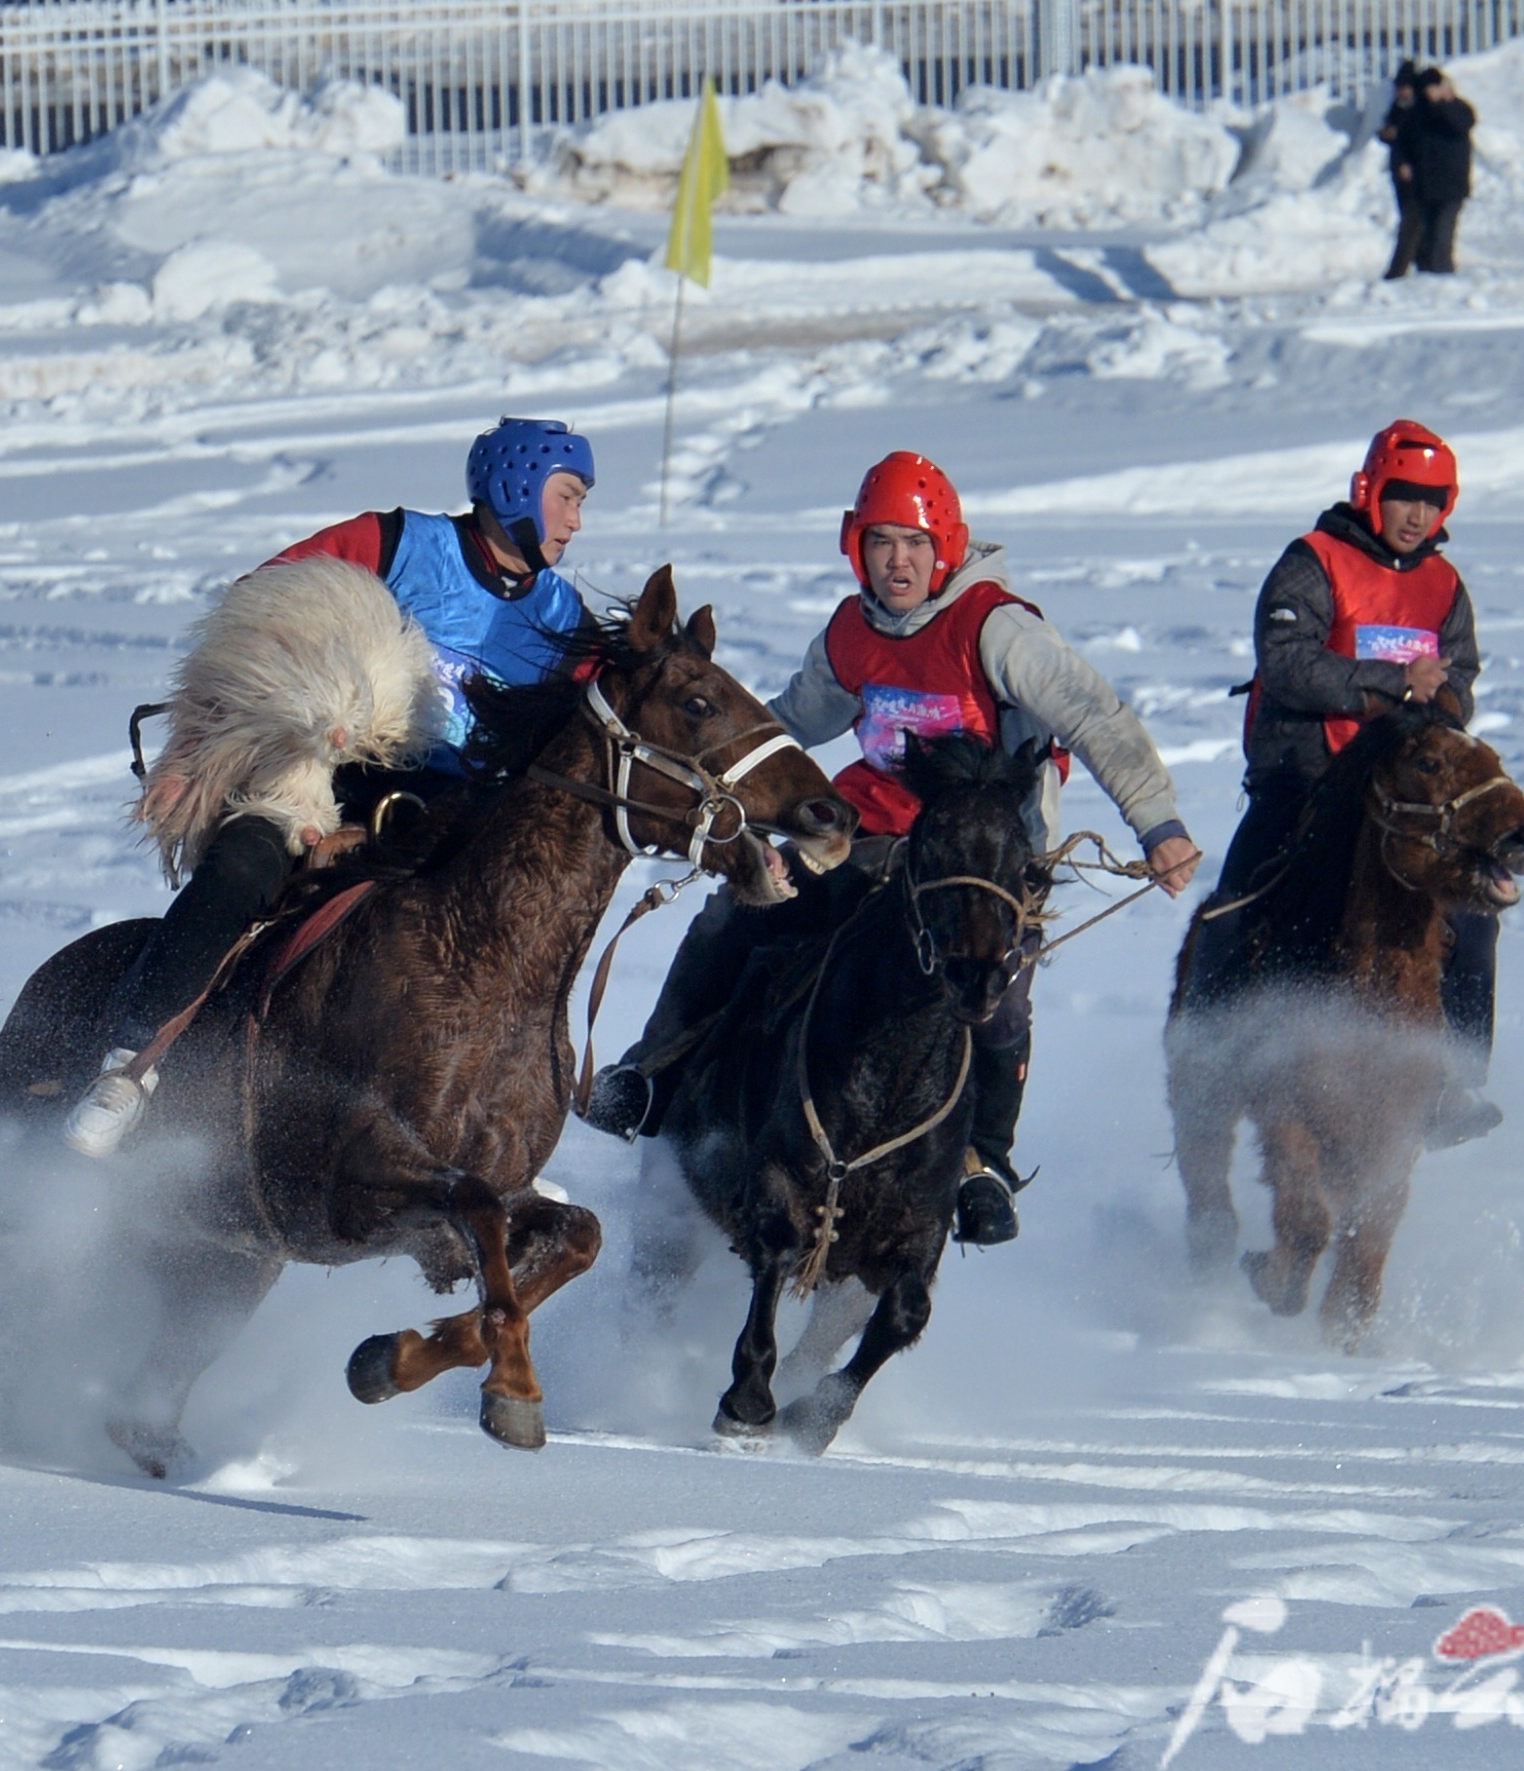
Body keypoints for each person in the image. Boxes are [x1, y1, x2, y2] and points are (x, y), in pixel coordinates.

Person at [580, 451, 1203, 1243]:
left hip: (979, 857)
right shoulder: (854, 628)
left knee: (998, 993)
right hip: (870, 831)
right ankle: (654, 1075)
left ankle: (983, 1164)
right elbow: (793, 722)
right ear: (856, 549)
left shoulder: (995, 626)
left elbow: (1094, 715)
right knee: (738, 914)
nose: (896, 562)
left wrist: (1159, 823)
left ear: (944, 544)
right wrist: (713, 773)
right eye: (880, 545)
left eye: (912, 543)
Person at [63, 418, 598, 1158]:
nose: (576, 520)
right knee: (242, 868)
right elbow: (255, 621)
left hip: (445, 823)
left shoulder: (564, 622)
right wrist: (193, 747)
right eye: (568, 496)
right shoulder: (394, 543)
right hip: (315, 781)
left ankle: (499, 1135)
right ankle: (128, 1066)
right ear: (517, 484)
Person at [1201, 419, 1501, 1146]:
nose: (1418, 516)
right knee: (1235, 906)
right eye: (1405, 497)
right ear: (1372, 491)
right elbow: (1288, 663)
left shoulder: (1443, 586)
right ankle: (1208, 1055)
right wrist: (1395, 685)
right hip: (1303, 782)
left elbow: (1460, 684)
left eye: (1433, 502)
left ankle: (1450, 1078)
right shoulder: (1314, 562)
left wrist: (1442, 699)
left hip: (1398, 801)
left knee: (1475, 905)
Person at [1395, 68, 1476, 277]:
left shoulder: (1458, 108)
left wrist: (1443, 103)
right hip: (1425, 186)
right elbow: (1402, 141)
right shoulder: (1417, 114)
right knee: (1425, 238)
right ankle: (1426, 277)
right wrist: (1402, 162)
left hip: (1451, 186)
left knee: (1442, 236)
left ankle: (1443, 278)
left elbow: (1460, 125)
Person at [1378, 61, 1426, 283]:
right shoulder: (1398, 108)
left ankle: (1398, 271)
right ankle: (1416, 263)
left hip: (1417, 174)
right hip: (1400, 174)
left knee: (1412, 222)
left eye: (1405, 87)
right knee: (1409, 219)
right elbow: (1392, 133)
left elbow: (1417, 142)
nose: (1401, 92)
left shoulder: (1419, 110)